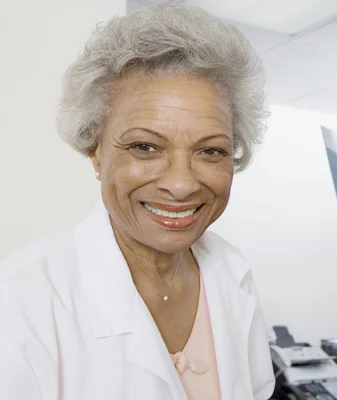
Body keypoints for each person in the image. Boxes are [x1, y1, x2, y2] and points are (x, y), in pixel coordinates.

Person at [0, 4, 274, 400]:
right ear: (95, 150)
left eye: (210, 151)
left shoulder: (233, 272)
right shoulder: (19, 302)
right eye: (145, 146)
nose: (181, 185)